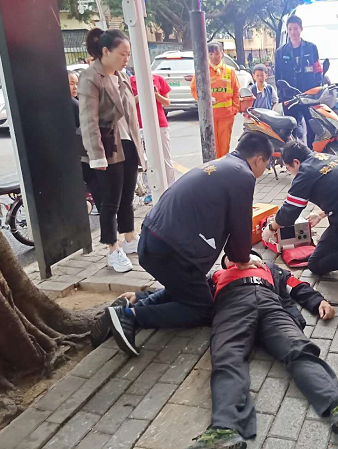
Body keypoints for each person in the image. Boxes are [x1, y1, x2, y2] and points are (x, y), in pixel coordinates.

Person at [184, 255, 338, 448]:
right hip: (232, 308)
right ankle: (224, 430)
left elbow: (296, 286)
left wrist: (318, 301)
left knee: (299, 349)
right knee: (227, 359)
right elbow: (186, 294)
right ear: (225, 264)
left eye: (246, 253)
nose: (238, 258)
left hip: (272, 308)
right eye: (230, 258)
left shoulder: (271, 269)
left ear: (257, 258)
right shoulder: (215, 277)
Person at [91, 132, 273, 353]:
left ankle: (136, 302)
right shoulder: (243, 175)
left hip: (152, 239)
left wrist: (238, 256)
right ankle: (130, 316)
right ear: (259, 159)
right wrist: (243, 259)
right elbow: (240, 224)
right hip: (172, 251)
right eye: (266, 165)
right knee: (203, 308)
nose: (263, 171)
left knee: (192, 288)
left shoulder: (222, 164)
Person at [262, 143, 338, 284]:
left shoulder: (305, 173)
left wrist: (271, 228)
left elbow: (288, 214)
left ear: (296, 162)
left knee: (316, 263)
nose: (289, 172)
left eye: (288, 168)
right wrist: (321, 214)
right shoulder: (326, 157)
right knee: (330, 246)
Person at [79, 28, 145, 273]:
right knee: (110, 201)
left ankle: (129, 238)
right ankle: (112, 248)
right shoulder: (91, 77)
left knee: (127, 196)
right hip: (106, 148)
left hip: (128, 142)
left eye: (128, 54)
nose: (126, 58)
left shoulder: (121, 76)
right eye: (122, 54)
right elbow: (89, 120)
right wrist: (96, 156)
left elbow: (130, 115)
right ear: (106, 51)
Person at [275, 15, 322, 147]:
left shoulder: (311, 48)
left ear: (301, 29)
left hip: (309, 96)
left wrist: (317, 92)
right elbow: (278, 76)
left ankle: (311, 154)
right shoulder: (280, 52)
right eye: (290, 29)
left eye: (295, 28)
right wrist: (282, 97)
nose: (293, 32)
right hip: (290, 98)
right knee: (291, 131)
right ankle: (294, 155)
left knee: (312, 128)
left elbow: (318, 71)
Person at [190, 42, 241, 158]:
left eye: (217, 53)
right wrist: (203, 100)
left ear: (222, 53)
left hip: (226, 115)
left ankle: (222, 166)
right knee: (212, 146)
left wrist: (234, 109)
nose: (214, 57)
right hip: (209, 116)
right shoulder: (202, 70)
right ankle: (213, 166)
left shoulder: (230, 71)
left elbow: (236, 91)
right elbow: (194, 89)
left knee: (224, 145)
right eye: (211, 54)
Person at [130, 74, 175, 187]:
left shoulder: (158, 79)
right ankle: (149, 187)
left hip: (160, 123)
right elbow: (128, 104)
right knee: (145, 159)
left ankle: (171, 186)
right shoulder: (130, 81)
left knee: (165, 157)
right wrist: (142, 94)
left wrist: (156, 94)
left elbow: (167, 102)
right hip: (140, 124)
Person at [69, 70, 102, 215]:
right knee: (94, 181)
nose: (75, 87)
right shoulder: (74, 104)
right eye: (71, 83)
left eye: (77, 83)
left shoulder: (72, 102)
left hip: (76, 152)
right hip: (82, 153)